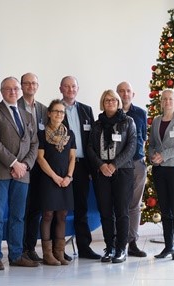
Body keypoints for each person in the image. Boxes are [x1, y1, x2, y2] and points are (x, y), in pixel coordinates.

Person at [0, 76, 39, 270]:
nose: (13, 92)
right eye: (8, 89)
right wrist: (14, 163)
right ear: (1, 91)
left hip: (23, 173)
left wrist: (25, 165)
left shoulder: (27, 115)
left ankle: (16, 255)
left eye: (16, 88)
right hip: (0, 172)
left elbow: (34, 143)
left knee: (18, 216)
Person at [87, 89, 136, 263]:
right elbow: (90, 148)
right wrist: (101, 165)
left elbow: (131, 147)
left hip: (122, 171)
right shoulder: (96, 124)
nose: (110, 103)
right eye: (107, 100)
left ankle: (121, 249)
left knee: (122, 211)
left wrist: (114, 165)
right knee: (106, 212)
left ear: (118, 102)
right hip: (101, 173)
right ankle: (110, 247)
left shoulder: (128, 122)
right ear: (103, 103)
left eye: (113, 100)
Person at [59, 76, 100, 260]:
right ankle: (58, 249)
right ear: (60, 88)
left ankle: (84, 248)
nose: (70, 89)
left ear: (78, 88)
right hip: (63, 166)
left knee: (81, 207)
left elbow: (91, 141)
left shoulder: (86, 110)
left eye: (73, 86)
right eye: (66, 86)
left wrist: (93, 169)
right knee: (60, 208)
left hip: (83, 166)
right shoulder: (55, 110)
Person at [150, 88, 174, 260]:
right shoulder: (156, 121)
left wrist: (164, 155)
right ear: (161, 102)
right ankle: (168, 247)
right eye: (164, 99)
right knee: (165, 210)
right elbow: (152, 144)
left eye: (170, 99)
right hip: (160, 170)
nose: (167, 102)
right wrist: (153, 156)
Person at [37, 99, 76, 266]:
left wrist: (68, 176)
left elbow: (72, 157)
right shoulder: (41, 134)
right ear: (49, 113)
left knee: (62, 215)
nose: (59, 114)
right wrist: (55, 177)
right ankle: (47, 254)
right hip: (48, 179)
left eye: (62, 112)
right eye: (56, 111)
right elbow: (40, 158)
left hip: (65, 179)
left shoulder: (70, 134)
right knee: (47, 215)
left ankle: (59, 252)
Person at [19, 72, 48, 262]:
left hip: (40, 166)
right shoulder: (15, 106)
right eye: (27, 83)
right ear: (22, 86)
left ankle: (31, 247)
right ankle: (20, 248)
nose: (31, 86)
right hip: (21, 166)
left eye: (34, 83)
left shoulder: (44, 110)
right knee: (22, 209)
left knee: (36, 209)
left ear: (38, 86)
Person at [116, 81, 148, 257]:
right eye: (121, 91)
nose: (125, 94)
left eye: (128, 91)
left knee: (134, 205)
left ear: (133, 94)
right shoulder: (112, 112)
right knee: (119, 203)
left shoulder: (141, 113)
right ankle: (117, 242)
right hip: (118, 166)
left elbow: (142, 137)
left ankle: (132, 242)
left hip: (136, 163)